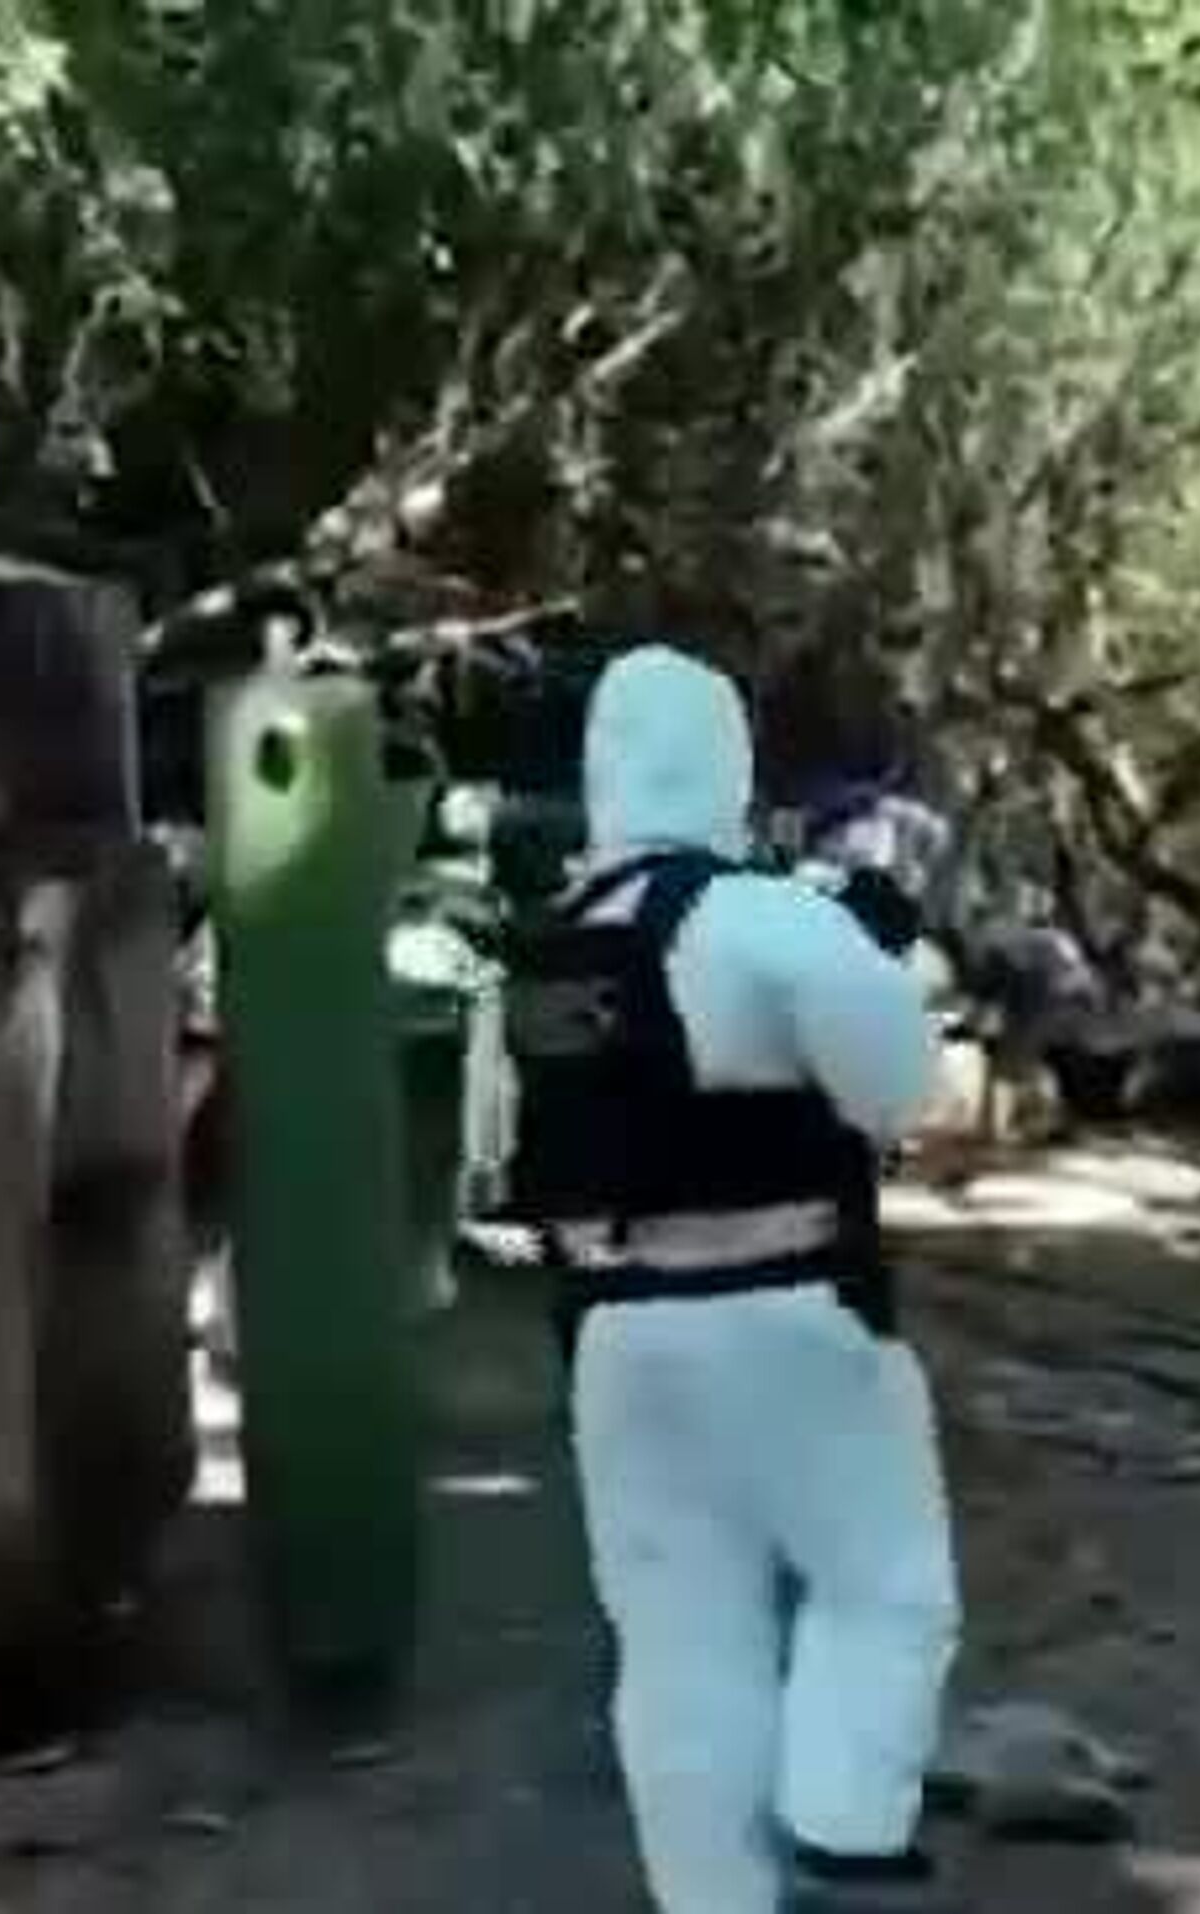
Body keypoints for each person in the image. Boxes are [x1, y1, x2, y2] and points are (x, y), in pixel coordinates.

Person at [502, 645, 961, 1912]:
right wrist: (875, 942)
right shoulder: (762, 918)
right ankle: (841, 1836)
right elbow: (902, 1093)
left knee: (681, 1651)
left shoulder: (545, 956)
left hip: (616, 1340)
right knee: (885, 1594)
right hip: (788, 1314)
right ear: (729, 765)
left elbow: (506, 1156)